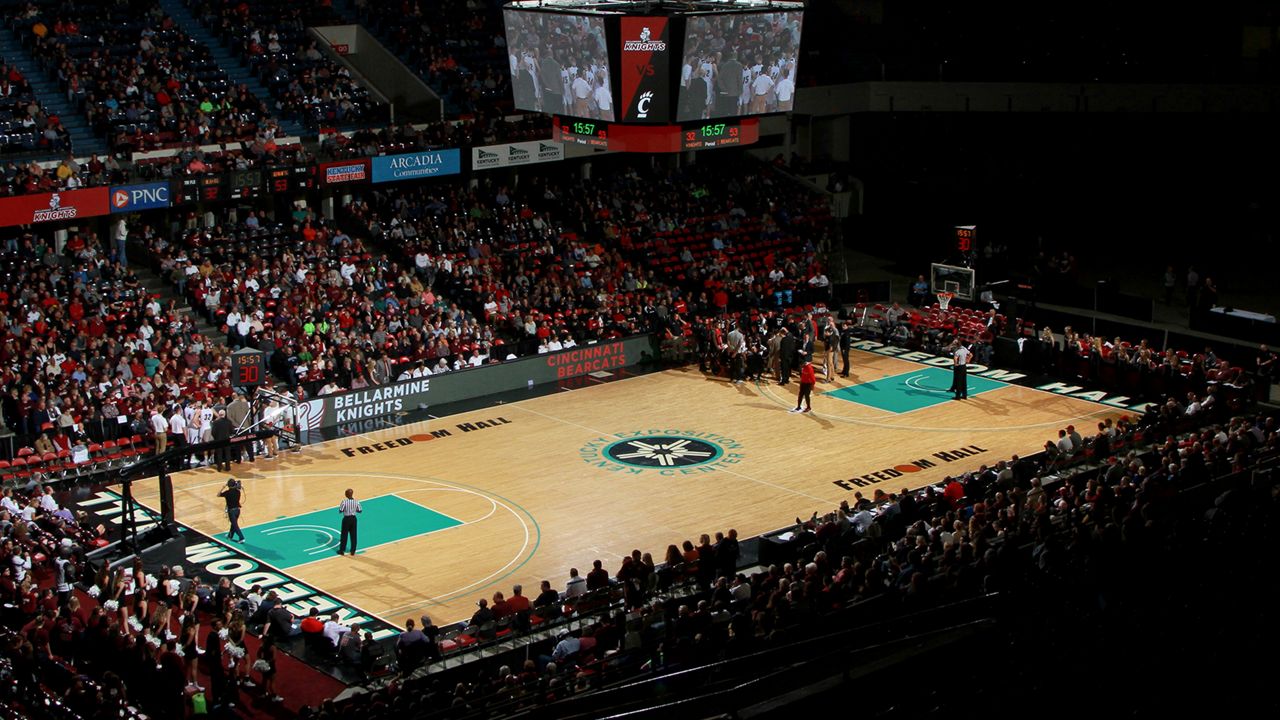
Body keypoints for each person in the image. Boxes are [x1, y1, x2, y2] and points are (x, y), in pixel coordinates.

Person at [219, 478, 246, 543]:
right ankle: (230, 536)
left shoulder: (227, 493)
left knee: (235, 525)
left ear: (228, 485)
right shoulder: (238, 492)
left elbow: (218, 494)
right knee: (233, 524)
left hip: (231, 512)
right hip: (238, 511)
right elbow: (238, 488)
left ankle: (242, 537)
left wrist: (223, 487)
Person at [338, 488, 361, 556]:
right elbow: (360, 510)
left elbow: (340, 510)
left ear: (347, 494)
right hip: (353, 519)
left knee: (344, 535)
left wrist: (347, 510)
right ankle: (353, 551)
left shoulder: (344, 502)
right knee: (354, 535)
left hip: (346, 519)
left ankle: (342, 550)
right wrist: (353, 510)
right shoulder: (356, 501)